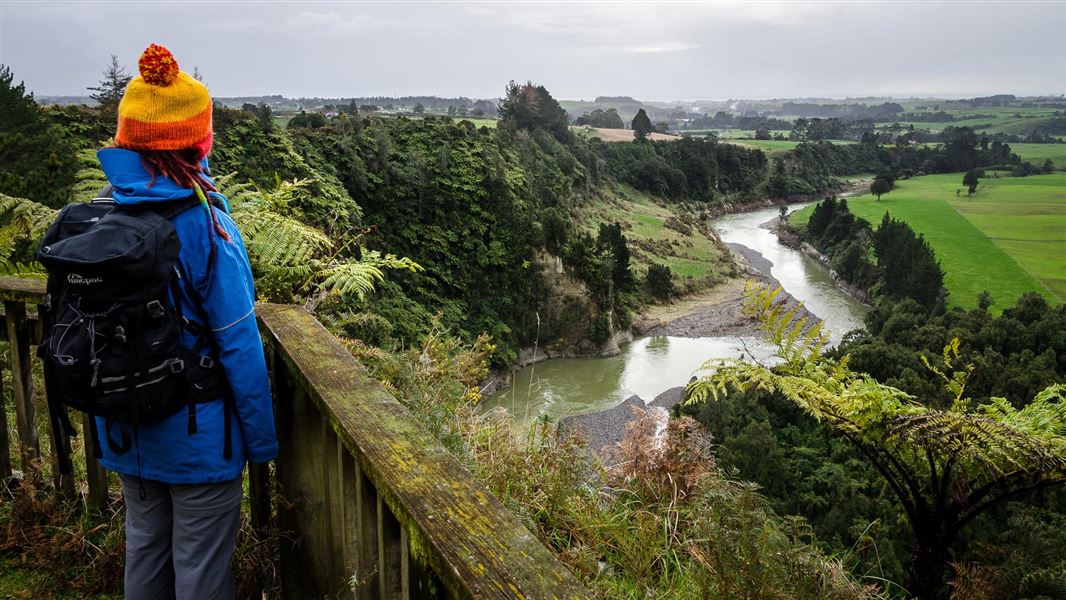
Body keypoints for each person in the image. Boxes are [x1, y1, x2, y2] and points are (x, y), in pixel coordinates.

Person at [94, 43, 278, 600]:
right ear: (200, 140)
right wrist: (263, 445)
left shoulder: (103, 212)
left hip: (126, 431)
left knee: (144, 560)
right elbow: (239, 344)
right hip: (201, 440)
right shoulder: (206, 226)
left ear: (129, 140)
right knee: (200, 574)